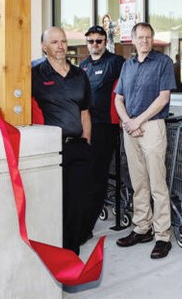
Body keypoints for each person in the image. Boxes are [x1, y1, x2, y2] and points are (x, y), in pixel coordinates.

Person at [113, 22, 176, 260]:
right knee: (138, 182)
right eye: (141, 37)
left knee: (157, 185)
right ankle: (142, 228)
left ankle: (162, 236)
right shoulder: (127, 66)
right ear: (133, 40)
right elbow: (118, 98)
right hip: (131, 129)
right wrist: (128, 121)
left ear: (152, 39)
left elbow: (163, 98)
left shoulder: (163, 63)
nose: (145, 41)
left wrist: (137, 121)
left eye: (148, 37)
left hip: (152, 128)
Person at [31, 26, 93, 255]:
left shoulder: (80, 75)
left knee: (76, 205)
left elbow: (85, 112)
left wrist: (86, 142)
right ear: (43, 46)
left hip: (77, 148)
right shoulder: (34, 73)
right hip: (49, 150)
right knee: (53, 205)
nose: (61, 46)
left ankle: (70, 255)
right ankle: (52, 253)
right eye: (55, 42)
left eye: (63, 41)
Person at [79, 24, 124, 239]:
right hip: (84, 127)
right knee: (85, 175)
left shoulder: (116, 62)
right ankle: (83, 218)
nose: (94, 45)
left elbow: (127, 89)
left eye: (99, 41)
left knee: (97, 175)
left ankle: (88, 225)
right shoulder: (83, 65)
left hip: (106, 126)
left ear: (105, 42)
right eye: (91, 41)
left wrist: (126, 117)